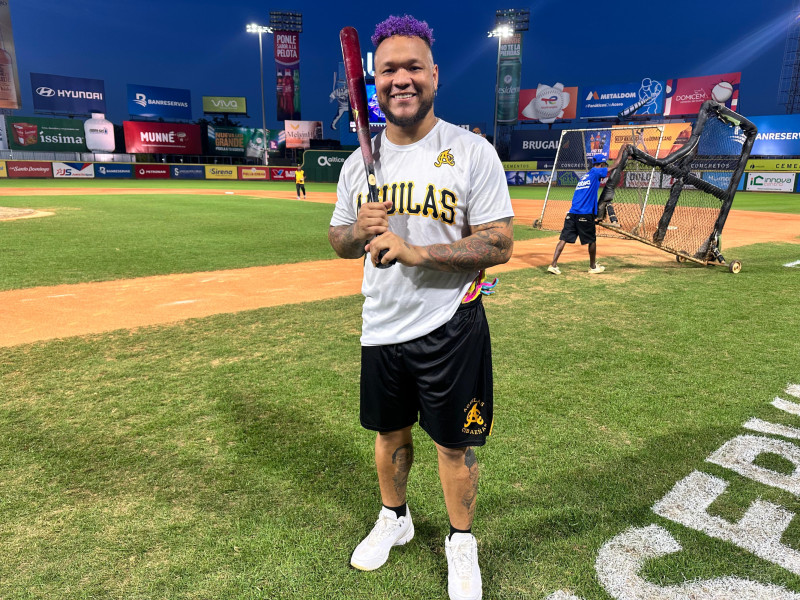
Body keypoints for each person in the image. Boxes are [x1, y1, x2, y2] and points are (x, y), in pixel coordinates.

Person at [328, 14, 514, 600]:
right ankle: (395, 518)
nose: (400, 79)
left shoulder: (469, 150)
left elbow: (499, 242)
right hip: (381, 324)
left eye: (413, 67)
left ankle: (461, 543)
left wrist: (414, 250)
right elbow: (337, 242)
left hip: (449, 324)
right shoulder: (358, 163)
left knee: (454, 445)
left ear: (434, 75)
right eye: (388, 70)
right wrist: (358, 229)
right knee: (388, 435)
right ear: (373, 82)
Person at [548, 153, 621, 275]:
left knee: (563, 239)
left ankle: (553, 265)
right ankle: (592, 267)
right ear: (602, 164)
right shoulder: (596, 172)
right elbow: (615, 165)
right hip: (585, 214)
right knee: (592, 240)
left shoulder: (585, 176)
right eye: (604, 165)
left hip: (572, 213)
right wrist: (623, 149)